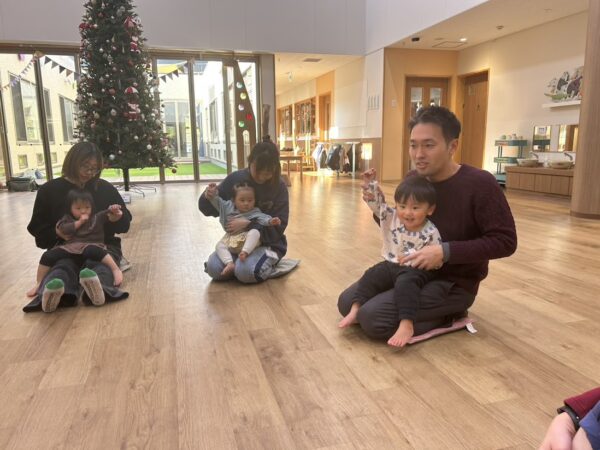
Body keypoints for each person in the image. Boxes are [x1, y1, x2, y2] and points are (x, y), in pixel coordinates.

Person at [338, 105, 517, 339]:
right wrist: (380, 210)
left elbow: (505, 241)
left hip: (453, 283)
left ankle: (452, 315)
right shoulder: (414, 178)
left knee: (372, 318)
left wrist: (445, 252)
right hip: (408, 271)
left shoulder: (480, 183)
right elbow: (405, 228)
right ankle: (410, 308)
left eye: (429, 145)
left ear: (452, 146)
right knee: (347, 303)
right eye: (413, 145)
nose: (418, 154)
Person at [24, 142, 132, 313]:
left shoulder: (104, 188)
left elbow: (125, 223)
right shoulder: (49, 190)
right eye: (85, 166)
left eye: (94, 169)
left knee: (101, 266)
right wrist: (56, 233)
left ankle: (99, 290)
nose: (89, 173)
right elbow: (38, 229)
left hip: (102, 246)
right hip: (65, 248)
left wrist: (116, 218)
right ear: (72, 162)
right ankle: (55, 294)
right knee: (61, 267)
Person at [338, 172, 441, 347]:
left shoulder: (431, 232)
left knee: (406, 285)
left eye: (415, 208)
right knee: (371, 274)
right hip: (392, 264)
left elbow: (436, 260)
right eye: (402, 206)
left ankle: (406, 323)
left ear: (430, 209)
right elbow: (377, 205)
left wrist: (425, 260)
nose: (407, 213)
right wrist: (371, 185)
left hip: (416, 270)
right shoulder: (392, 217)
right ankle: (356, 309)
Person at [198, 141, 290, 283]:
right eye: (258, 172)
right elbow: (209, 208)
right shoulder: (235, 179)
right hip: (236, 242)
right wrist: (208, 196)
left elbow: (279, 225)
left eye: (267, 174)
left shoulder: (279, 186)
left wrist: (249, 224)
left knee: (246, 272)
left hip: (269, 244)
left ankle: (263, 263)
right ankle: (238, 263)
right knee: (213, 269)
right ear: (250, 162)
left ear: (275, 169)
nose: (261, 178)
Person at [26, 189, 124, 307]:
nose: (83, 210)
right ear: (70, 208)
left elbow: (109, 215)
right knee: (48, 256)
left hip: (92, 245)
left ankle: (115, 270)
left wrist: (115, 212)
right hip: (70, 248)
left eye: (87, 207)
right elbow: (64, 229)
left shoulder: (96, 217)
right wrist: (80, 222)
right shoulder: (66, 219)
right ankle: (39, 283)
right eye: (78, 208)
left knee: (94, 251)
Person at [204, 181, 282, 277]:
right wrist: (212, 193)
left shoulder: (255, 211)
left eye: (250, 200)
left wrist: (271, 221)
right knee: (219, 245)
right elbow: (217, 201)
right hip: (231, 239)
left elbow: (263, 218)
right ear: (234, 200)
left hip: (246, 240)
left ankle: (245, 252)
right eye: (242, 200)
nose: (246, 203)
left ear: (254, 200)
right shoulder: (227, 207)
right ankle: (229, 263)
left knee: (255, 232)